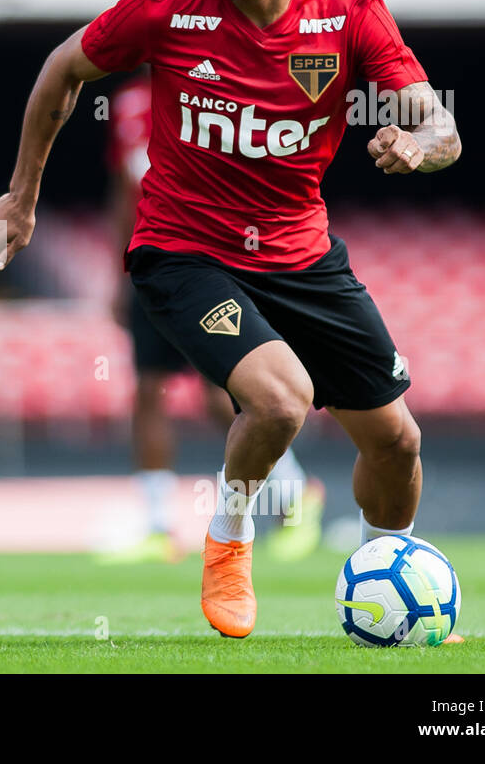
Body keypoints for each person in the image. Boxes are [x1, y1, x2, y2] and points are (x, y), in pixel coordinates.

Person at [0, 0, 460, 638]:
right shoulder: (167, 8)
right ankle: (230, 534)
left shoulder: (350, 11)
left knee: (399, 443)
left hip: (303, 255)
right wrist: (22, 195)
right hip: (184, 251)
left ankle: (394, 569)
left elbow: (436, 120)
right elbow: (60, 71)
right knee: (280, 400)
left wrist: (421, 141)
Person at [103, 71, 323, 565]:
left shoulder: (217, 88)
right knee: (148, 389)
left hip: (211, 260)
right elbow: (123, 190)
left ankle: (293, 493)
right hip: (152, 258)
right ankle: (159, 526)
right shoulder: (129, 104)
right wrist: (119, 270)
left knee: (221, 394)